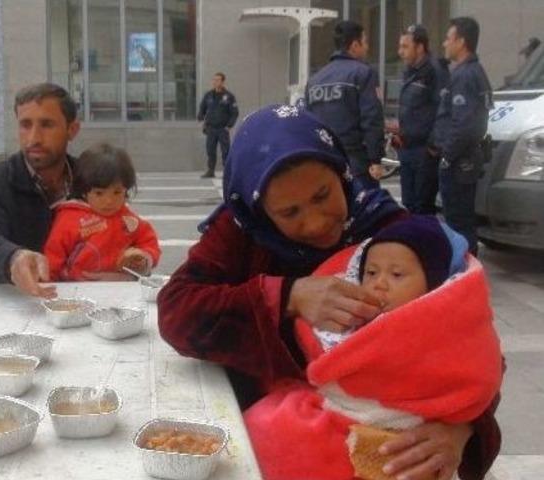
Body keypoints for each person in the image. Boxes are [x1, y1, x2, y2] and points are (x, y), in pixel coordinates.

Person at [156, 104, 501, 480]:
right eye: (289, 213)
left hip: (379, 440)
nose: (317, 222)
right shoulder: (241, 231)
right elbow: (177, 310)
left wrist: (461, 429)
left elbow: (472, 336)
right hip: (271, 435)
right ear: (260, 212)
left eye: (323, 196)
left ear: (341, 172)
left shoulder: (392, 232)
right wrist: (287, 297)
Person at [246, 215, 503, 479]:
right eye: (370, 272)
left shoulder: (443, 330)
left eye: (397, 274)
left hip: (391, 426)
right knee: (262, 427)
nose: (379, 283)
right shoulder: (350, 318)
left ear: (434, 284)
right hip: (336, 410)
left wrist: (463, 425)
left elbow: (473, 378)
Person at [0, 83, 81, 299]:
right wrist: (13, 258)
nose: (34, 138)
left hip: (81, 301)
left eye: (47, 125)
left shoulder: (91, 179)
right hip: (16, 303)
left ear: (72, 130)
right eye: (25, 125)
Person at [43, 143, 161, 281]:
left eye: (117, 192)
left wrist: (143, 258)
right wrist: (47, 282)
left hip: (121, 287)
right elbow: (53, 255)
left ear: (126, 190)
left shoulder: (128, 220)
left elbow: (148, 242)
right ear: (84, 191)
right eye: (99, 193)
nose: (109, 201)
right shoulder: (69, 219)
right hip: (78, 288)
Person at [434, 17, 492, 255]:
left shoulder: (466, 75)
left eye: (449, 39)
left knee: (458, 222)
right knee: (462, 220)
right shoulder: (474, 72)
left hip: (460, 162)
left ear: (461, 42)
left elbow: (464, 123)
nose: (445, 44)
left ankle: (463, 273)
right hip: (465, 159)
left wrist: (447, 155)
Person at [305, 20, 385, 188]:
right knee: (363, 210)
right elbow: (372, 118)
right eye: (365, 42)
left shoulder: (314, 81)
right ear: (354, 45)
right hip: (356, 164)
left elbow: (307, 123)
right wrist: (375, 159)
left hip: (324, 162)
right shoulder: (364, 73)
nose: (367, 47)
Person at [392, 25, 449, 214]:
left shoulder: (434, 71)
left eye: (405, 46)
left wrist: (433, 146)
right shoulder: (410, 72)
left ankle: (426, 243)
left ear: (420, 47)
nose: (400, 52)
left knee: (422, 207)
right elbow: (411, 110)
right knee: (409, 204)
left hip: (424, 151)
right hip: (407, 148)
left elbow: (443, 109)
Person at [197, 72, 238, 178]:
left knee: (225, 151)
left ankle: (227, 171)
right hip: (210, 128)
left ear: (223, 82)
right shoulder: (208, 95)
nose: (215, 82)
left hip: (222, 129)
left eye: (218, 80)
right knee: (210, 150)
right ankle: (210, 171)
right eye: (214, 80)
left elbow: (234, 113)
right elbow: (202, 108)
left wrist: (229, 126)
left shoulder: (229, 96)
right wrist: (201, 118)